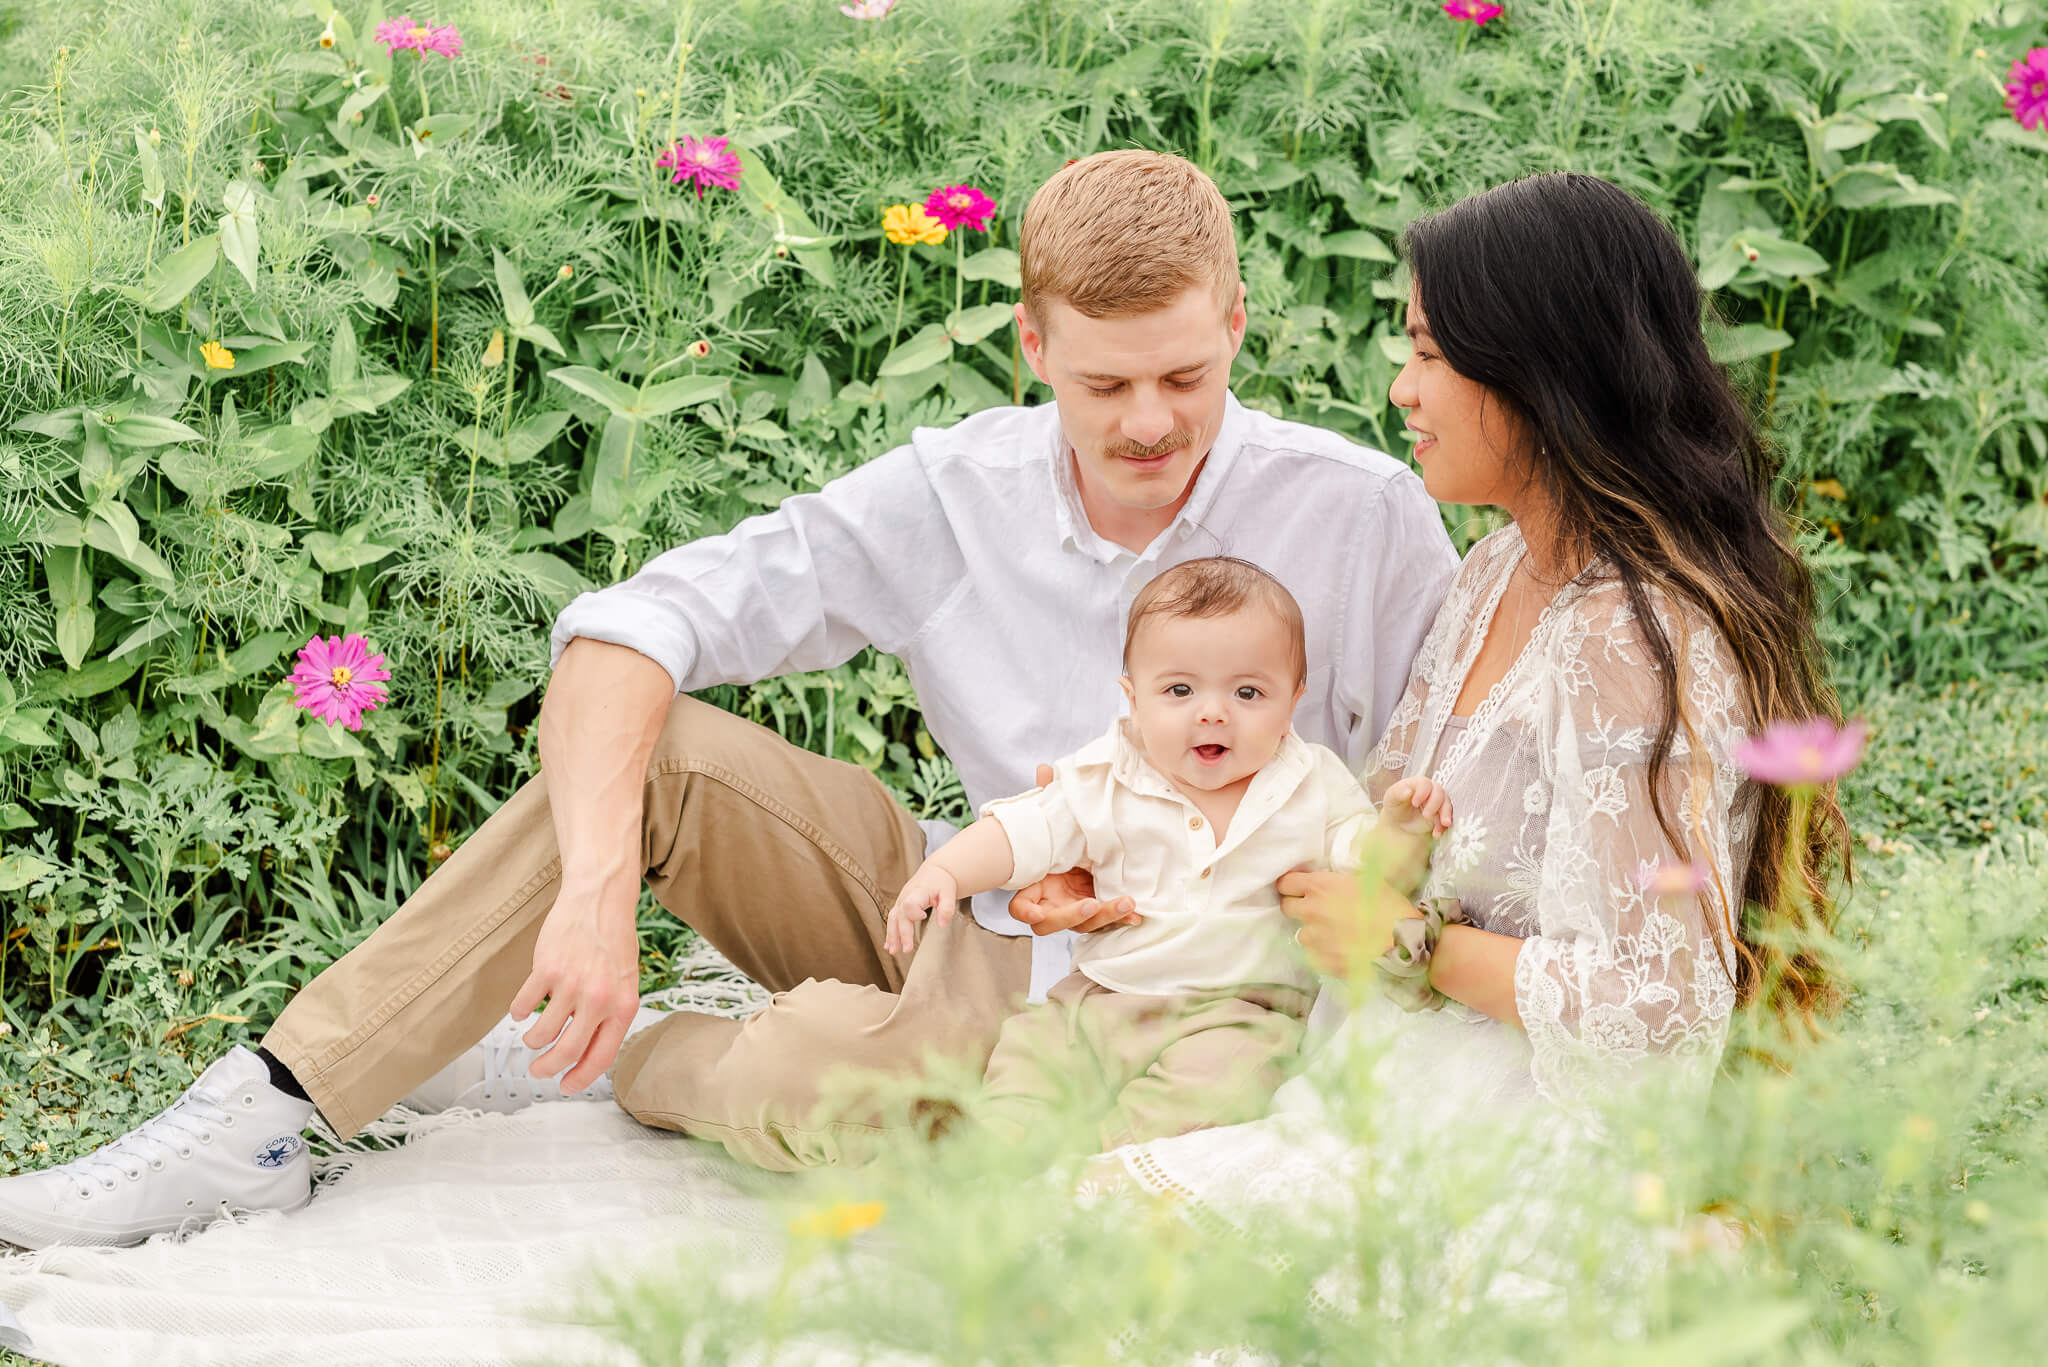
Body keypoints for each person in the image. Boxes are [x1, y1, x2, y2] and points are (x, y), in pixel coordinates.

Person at [0, 149, 1457, 1249]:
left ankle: (604, 1055)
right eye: (1104, 385)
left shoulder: (1360, 514)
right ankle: (273, 1107)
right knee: (661, 744)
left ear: (1241, 323)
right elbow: (633, 627)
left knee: (864, 1110)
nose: (1148, 423)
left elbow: (1427, 804)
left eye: (1185, 377)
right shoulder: (954, 492)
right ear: (1033, 347)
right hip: (964, 914)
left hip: (1207, 996)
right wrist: (590, 889)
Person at [1068, 172, 1854, 1231]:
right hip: (1384, 1081)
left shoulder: (1629, 635)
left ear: (1538, 375)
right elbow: (1381, 832)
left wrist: (1406, 945)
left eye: (1429, 353)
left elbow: (1658, 1008)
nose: (1401, 388)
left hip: (1524, 1155)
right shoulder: (1495, 569)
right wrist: (1109, 835)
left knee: (1090, 1248)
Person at [881, 557, 1451, 1155]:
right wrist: (945, 870)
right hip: (1098, 999)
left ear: (1294, 701)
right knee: (1030, 1068)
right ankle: (998, 1162)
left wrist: (1402, 829)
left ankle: (1101, 1173)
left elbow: (1368, 868)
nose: (1212, 711)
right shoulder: (1108, 774)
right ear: (1132, 699)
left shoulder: (1310, 783)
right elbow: (1022, 831)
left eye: (1248, 692)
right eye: (1179, 690)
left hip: (1239, 1013)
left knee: (1219, 1092)